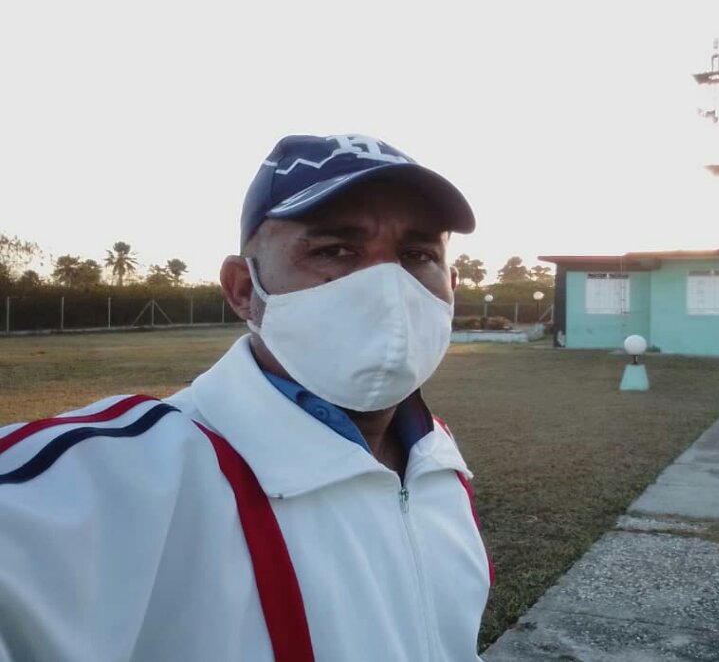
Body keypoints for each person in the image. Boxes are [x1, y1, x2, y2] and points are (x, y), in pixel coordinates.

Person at [0, 134, 492, 661]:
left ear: (451, 285)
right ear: (242, 289)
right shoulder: (125, 476)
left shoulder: (437, 461)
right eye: (335, 250)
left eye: (417, 254)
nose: (386, 285)